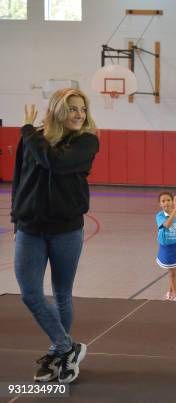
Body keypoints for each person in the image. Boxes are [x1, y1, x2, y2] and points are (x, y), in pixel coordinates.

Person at [11, 89, 99, 383]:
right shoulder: (33, 139)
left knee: (62, 293)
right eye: (72, 109)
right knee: (30, 293)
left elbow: (55, 163)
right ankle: (66, 347)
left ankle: (56, 352)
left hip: (66, 230)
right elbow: (20, 179)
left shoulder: (86, 142)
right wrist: (16, 219)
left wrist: (27, 131)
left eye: (82, 109)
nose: (79, 115)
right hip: (30, 229)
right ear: (58, 110)